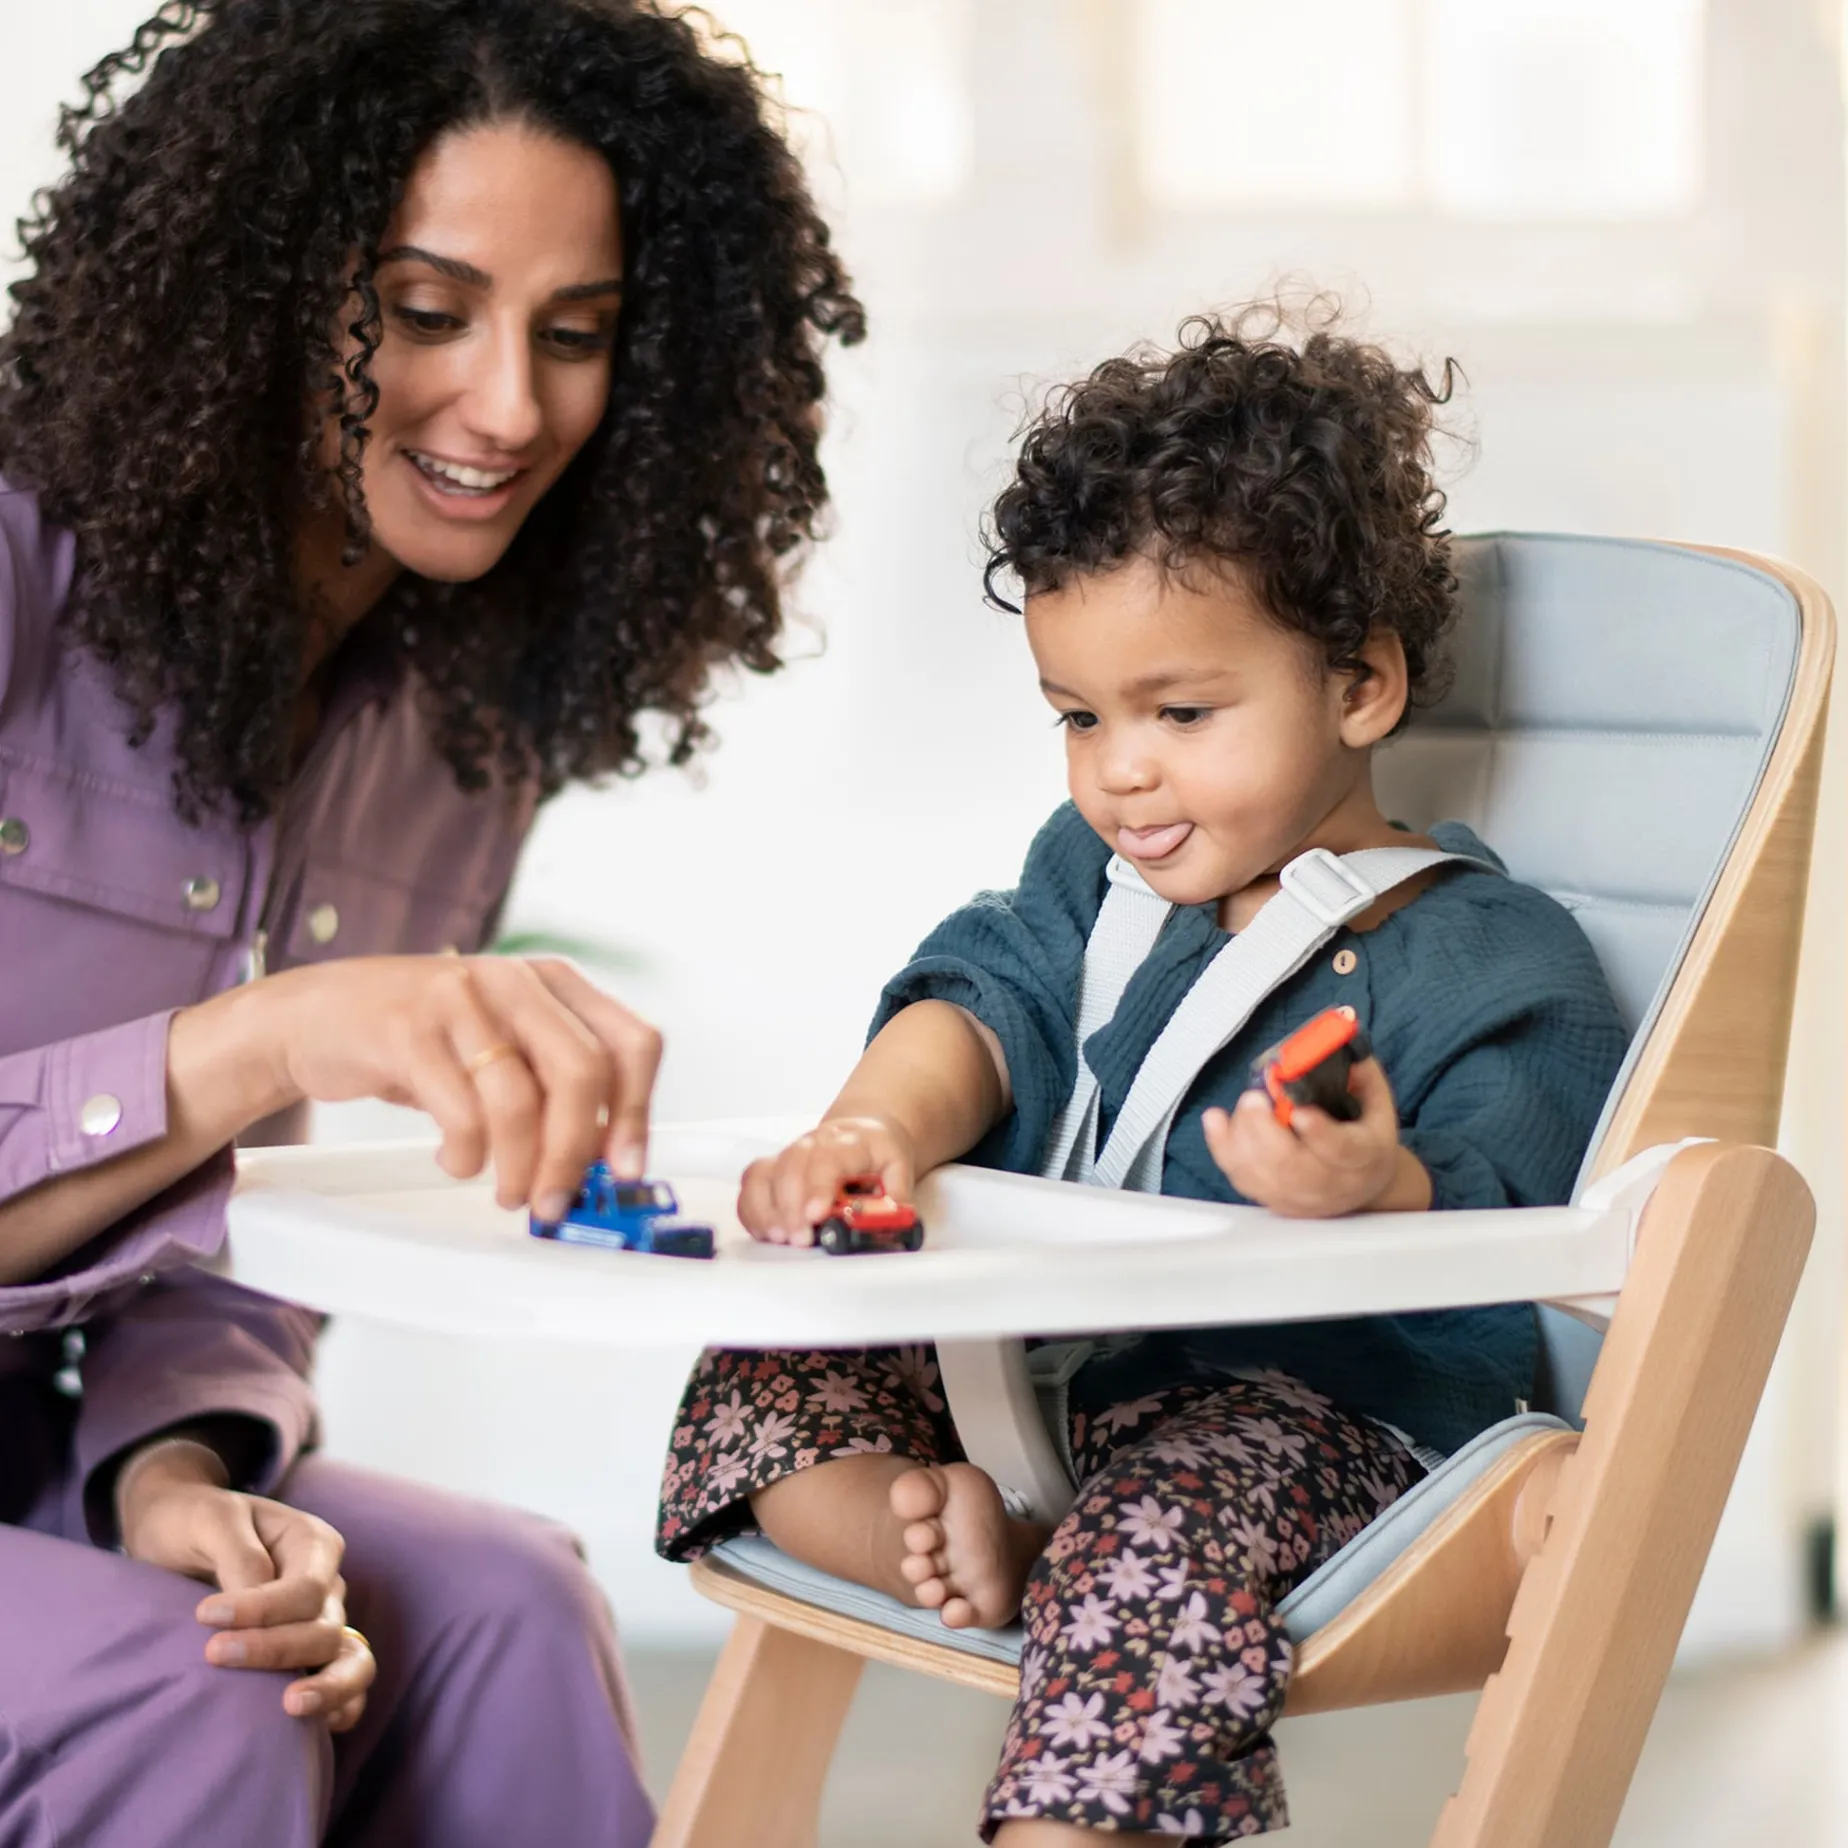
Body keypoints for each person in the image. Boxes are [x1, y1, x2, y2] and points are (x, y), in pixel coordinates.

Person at [0, 1, 862, 1842]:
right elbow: (251, 1086)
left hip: (32, 1450)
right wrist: (267, 1038)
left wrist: (175, 1464)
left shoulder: (458, 737)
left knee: (506, 1609)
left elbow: (215, 1245)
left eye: (577, 334)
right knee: (193, 1692)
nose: (510, 406)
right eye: (422, 310)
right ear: (256, 289)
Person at [654, 311, 1630, 1843]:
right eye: (1080, 717)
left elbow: (1537, 1189)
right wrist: (873, 1128)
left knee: (1155, 1542)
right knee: (772, 1348)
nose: (1119, 768)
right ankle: (916, 1534)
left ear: (1361, 687)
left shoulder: (1488, 949)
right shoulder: (1092, 879)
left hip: (1313, 1424)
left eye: (1180, 713)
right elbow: (979, 1002)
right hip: (1041, 1386)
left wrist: (1381, 1184)